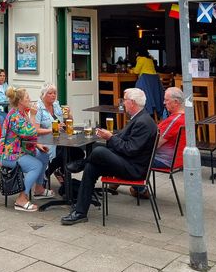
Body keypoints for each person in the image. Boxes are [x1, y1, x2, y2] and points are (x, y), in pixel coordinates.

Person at [61, 87, 157, 225]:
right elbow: (125, 144)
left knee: (99, 151)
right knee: (91, 167)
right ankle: (80, 212)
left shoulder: (143, 122)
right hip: (128, 162)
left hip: (134, 169)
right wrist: (111, 137)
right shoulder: (139, 118)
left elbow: (130, 149)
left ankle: (80, 164)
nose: (123, 104)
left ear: (132, 102)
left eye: (125, 100)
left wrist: (111, 138)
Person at [0, 86, 52, 212]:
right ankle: (22, 198)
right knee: (35, 165)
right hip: (8, 154)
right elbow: (30, 132)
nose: (30, 100)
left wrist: (37, 145)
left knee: (43, 156)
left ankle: (39, 188)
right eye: (27, 98)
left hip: (19, 150)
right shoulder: (15, 116)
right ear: (20, 101)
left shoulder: (22, 113)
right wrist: (33, 116)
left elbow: (23, 137)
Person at [130, 86, 186, 198]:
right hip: (176, 159)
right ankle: (116, 184)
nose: (164, 103)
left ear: (176, 102)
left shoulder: (175, 120)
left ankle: (140, 189)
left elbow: (155, 143)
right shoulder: (185, 117)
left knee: (130, 155)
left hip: (165, 160)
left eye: (166, 100)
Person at [131, 48, 164, 118]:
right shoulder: (150, 60)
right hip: (153, 88)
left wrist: (131, 69)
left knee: (135, 92)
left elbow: (136, 71)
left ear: (138, 53)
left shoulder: (141, 59)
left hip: (145, 84)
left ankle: (137, 111)